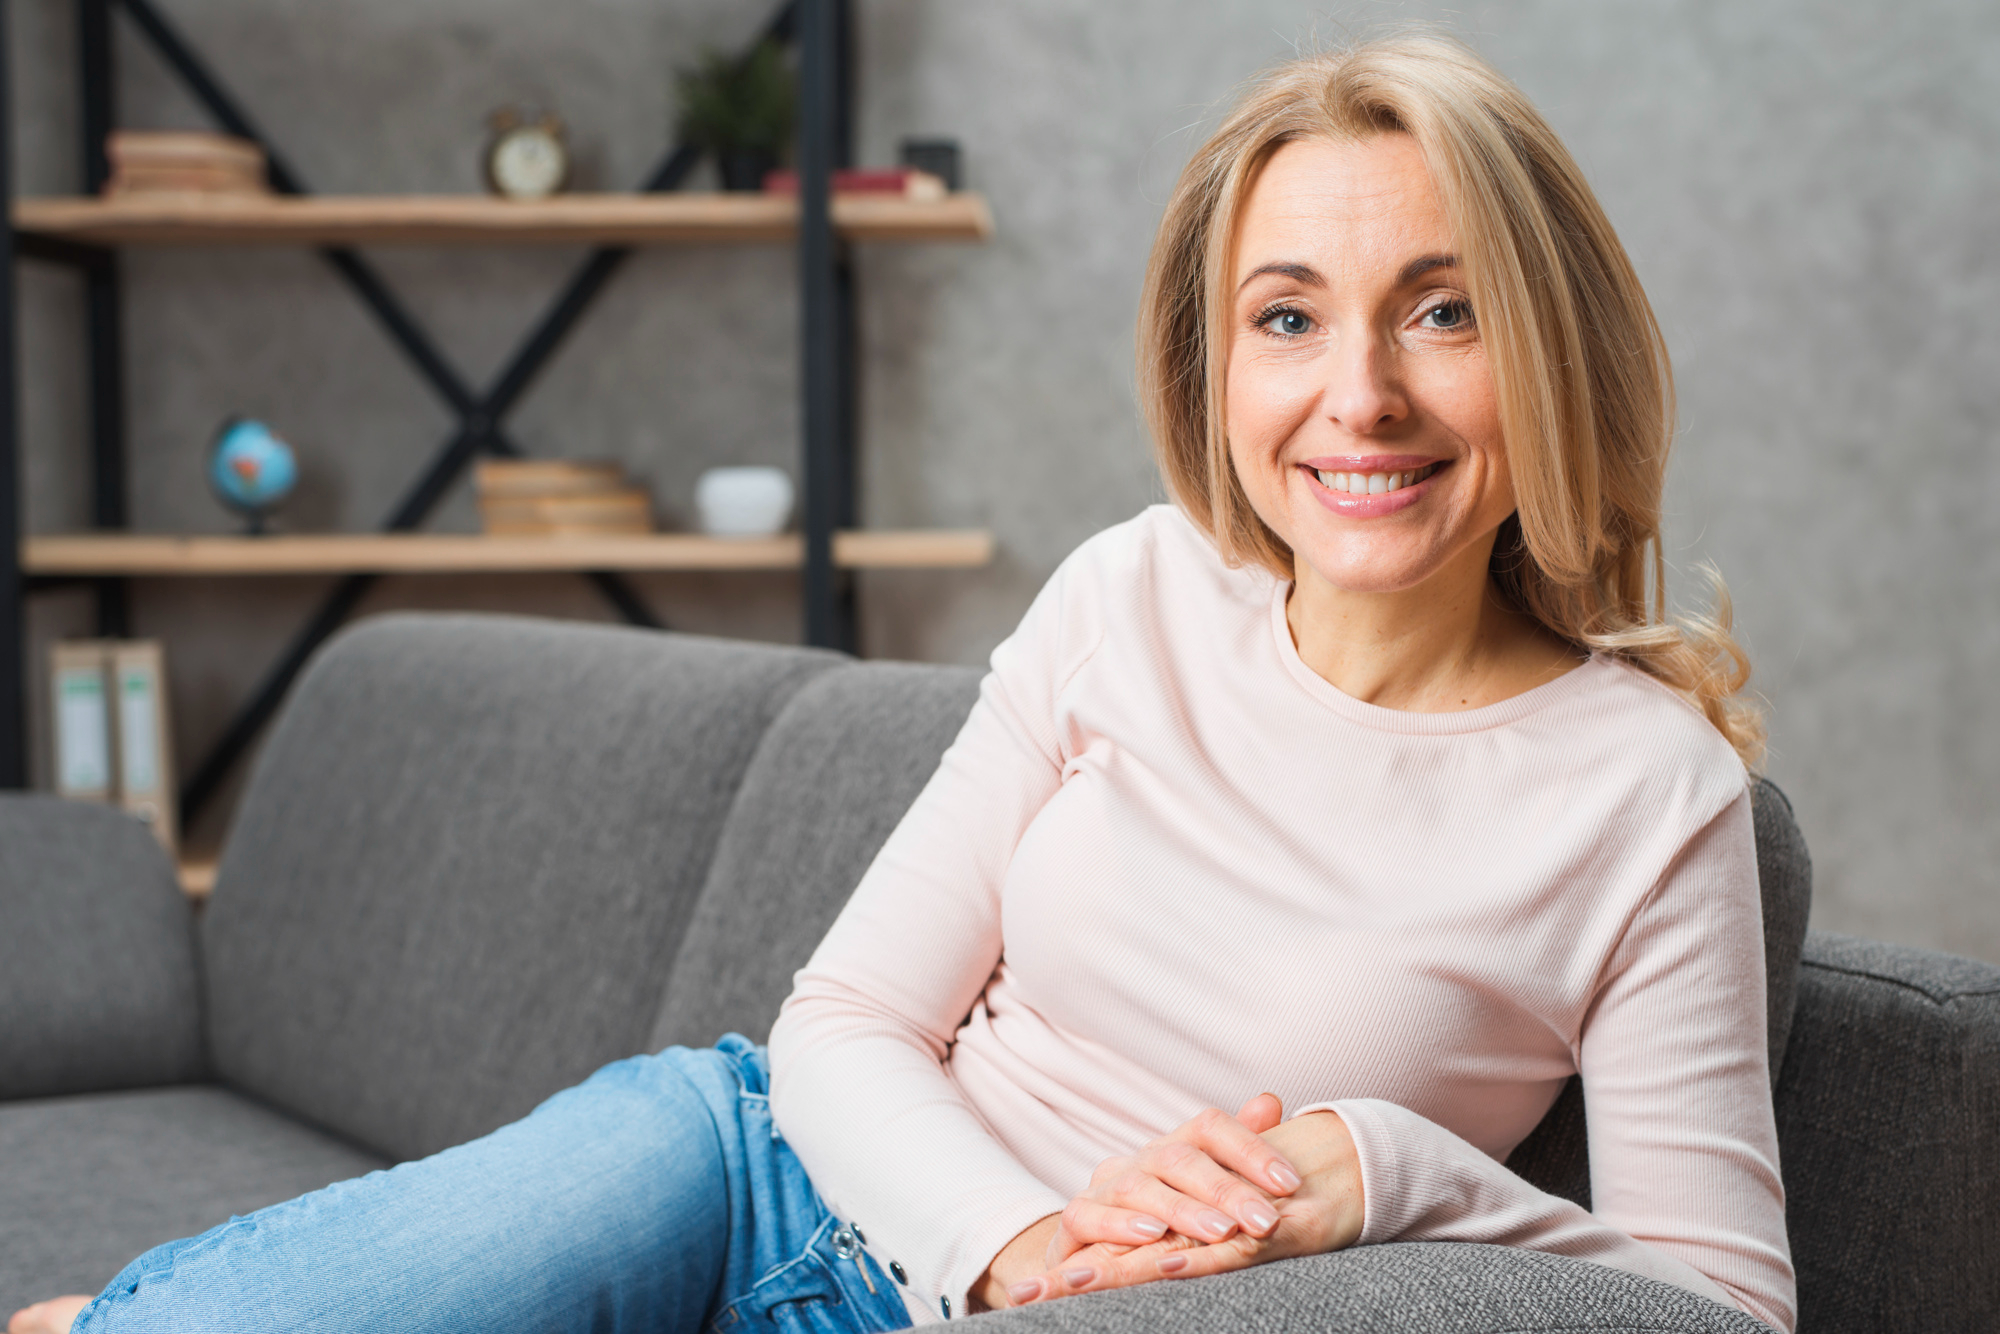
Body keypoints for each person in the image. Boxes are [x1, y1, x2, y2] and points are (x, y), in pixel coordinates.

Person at [9, 31, 1795, 1334]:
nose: (1360, 398)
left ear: (1551, 344)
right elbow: (845, 1023)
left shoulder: (1645, 795)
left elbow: (1716, 1305)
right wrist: (1013, 1247)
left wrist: (1383, 1168)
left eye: (1443, 309)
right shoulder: (1133, 587)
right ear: (1221, 360)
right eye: (1287, 315)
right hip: (756, 1166)